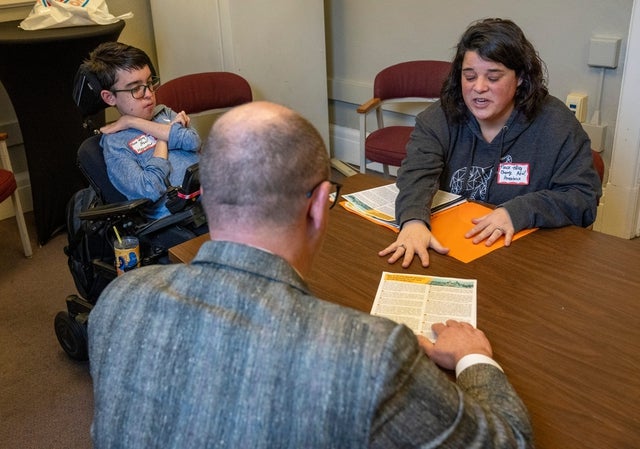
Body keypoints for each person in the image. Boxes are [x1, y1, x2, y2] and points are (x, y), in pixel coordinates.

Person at [88, 101, 533, 448]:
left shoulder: (120, 298)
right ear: (320, 205)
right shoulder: (371, 355)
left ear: (206, 195)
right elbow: (508, 440)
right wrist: (474, 358)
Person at [380, 18, 602, 268]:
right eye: (469, 76)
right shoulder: (440, 116)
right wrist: (413, 221)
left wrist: (517, 212)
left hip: (526, 260)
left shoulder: (556, 123)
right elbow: (416, 175)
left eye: (493, 77)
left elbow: (582, 197)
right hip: (453, 252)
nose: (478, 88)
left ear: (520, 78)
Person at [81, 42, 201, 219]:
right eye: (136, 88)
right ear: (110, 97)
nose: (149, 94)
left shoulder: (164, 113)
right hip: (181, 217)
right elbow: (148, 189)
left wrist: (133, 122)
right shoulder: (115, 144)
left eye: (150, 82)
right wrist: (163, 137)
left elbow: (193, 141)